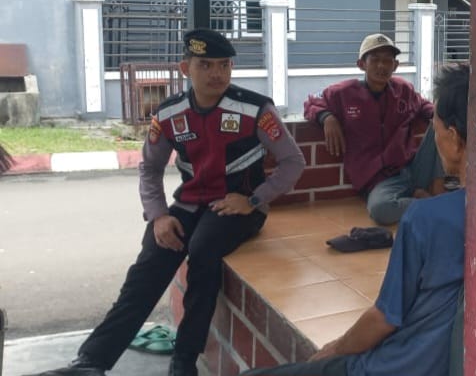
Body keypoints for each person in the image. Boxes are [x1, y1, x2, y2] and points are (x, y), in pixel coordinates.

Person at [243, 63, 476, 376]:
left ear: (454, 139)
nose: (434, 135)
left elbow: (384, 318)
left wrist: (333, 349)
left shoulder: (424, 219)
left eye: (436, 129)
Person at [27, 29, 305, 376]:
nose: (217, 73)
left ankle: (184, 362)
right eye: (206, 65)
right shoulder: (171, 113)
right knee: (148, 265)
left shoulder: (254, 108)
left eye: (224, 65)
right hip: (189, 205)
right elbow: (150, 168)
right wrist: (158, 216)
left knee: (203, 251)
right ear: (186, 68)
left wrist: (253, 200)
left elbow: (293, 162)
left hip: (236, 208)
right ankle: (92, 362)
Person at [303, 33, 442, 225]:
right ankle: (434, 204)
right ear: (361, 64)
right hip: (380, 179)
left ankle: (434, 192)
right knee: (381, 210)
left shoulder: (404, 90)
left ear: (395, 65)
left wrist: (439, 115)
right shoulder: (344, 93)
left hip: (413, 166)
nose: (381, 66)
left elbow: (424, 106)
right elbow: (311, 102)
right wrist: (326, 117)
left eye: (387, 60)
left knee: (442, 121)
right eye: (375, 60)